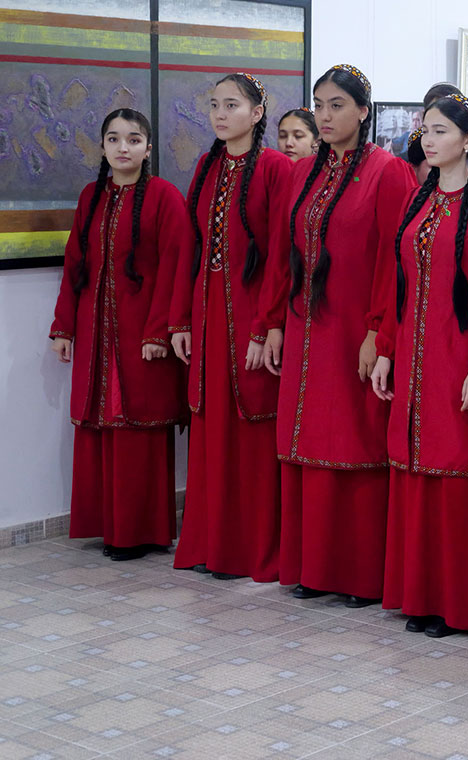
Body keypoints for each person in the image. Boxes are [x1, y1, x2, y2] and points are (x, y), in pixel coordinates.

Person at [266, 64, 414, 606]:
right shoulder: (304, 171)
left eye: (337, 106)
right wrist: (273, 323)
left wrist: (379, 332)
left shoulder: (388, 172)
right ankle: (314, 566)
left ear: (363, 111)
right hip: (307, 323)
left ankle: (359, 575)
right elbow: (286, 251)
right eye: (319, 105)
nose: (325, 116)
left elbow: (395, 262)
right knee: (306, 438)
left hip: (356, 325)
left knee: (355, 439)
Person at [371, 93, 468, 638]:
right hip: (415, 353)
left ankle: (462, 603)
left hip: (461, 356)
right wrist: (387, 348)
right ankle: (423, 594)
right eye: (424, 131)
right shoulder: (420, 200)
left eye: (440, 131)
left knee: (459, 468)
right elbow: (399, 285)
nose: (428, 140)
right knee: (417, 464)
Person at [49, 108, 188, 561]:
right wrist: (64, 327)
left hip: (143, 335)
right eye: (113, 139)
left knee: (137, 428)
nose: (122, 147)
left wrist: (159, 331)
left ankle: (139, 531)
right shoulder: (91, 197)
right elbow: (75, 264)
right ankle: (106, 526)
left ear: (148, 148)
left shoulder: (165, 197)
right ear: (103, 147)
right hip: (95, 333)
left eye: (133, 139)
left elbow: (176, 267)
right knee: (99, 423)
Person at [170, 73, 292, 582]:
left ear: (257, 113)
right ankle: (210, 543)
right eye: (215, 105)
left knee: (252, 429)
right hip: (207, 314)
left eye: (232, 105)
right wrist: (179, 319)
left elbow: (282, 254)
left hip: (250, 315)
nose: (220, 114)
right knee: (210, 427)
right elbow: (191, 247)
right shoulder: (207, 165)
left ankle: (251, 550)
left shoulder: (276, 168)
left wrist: (266, 325)